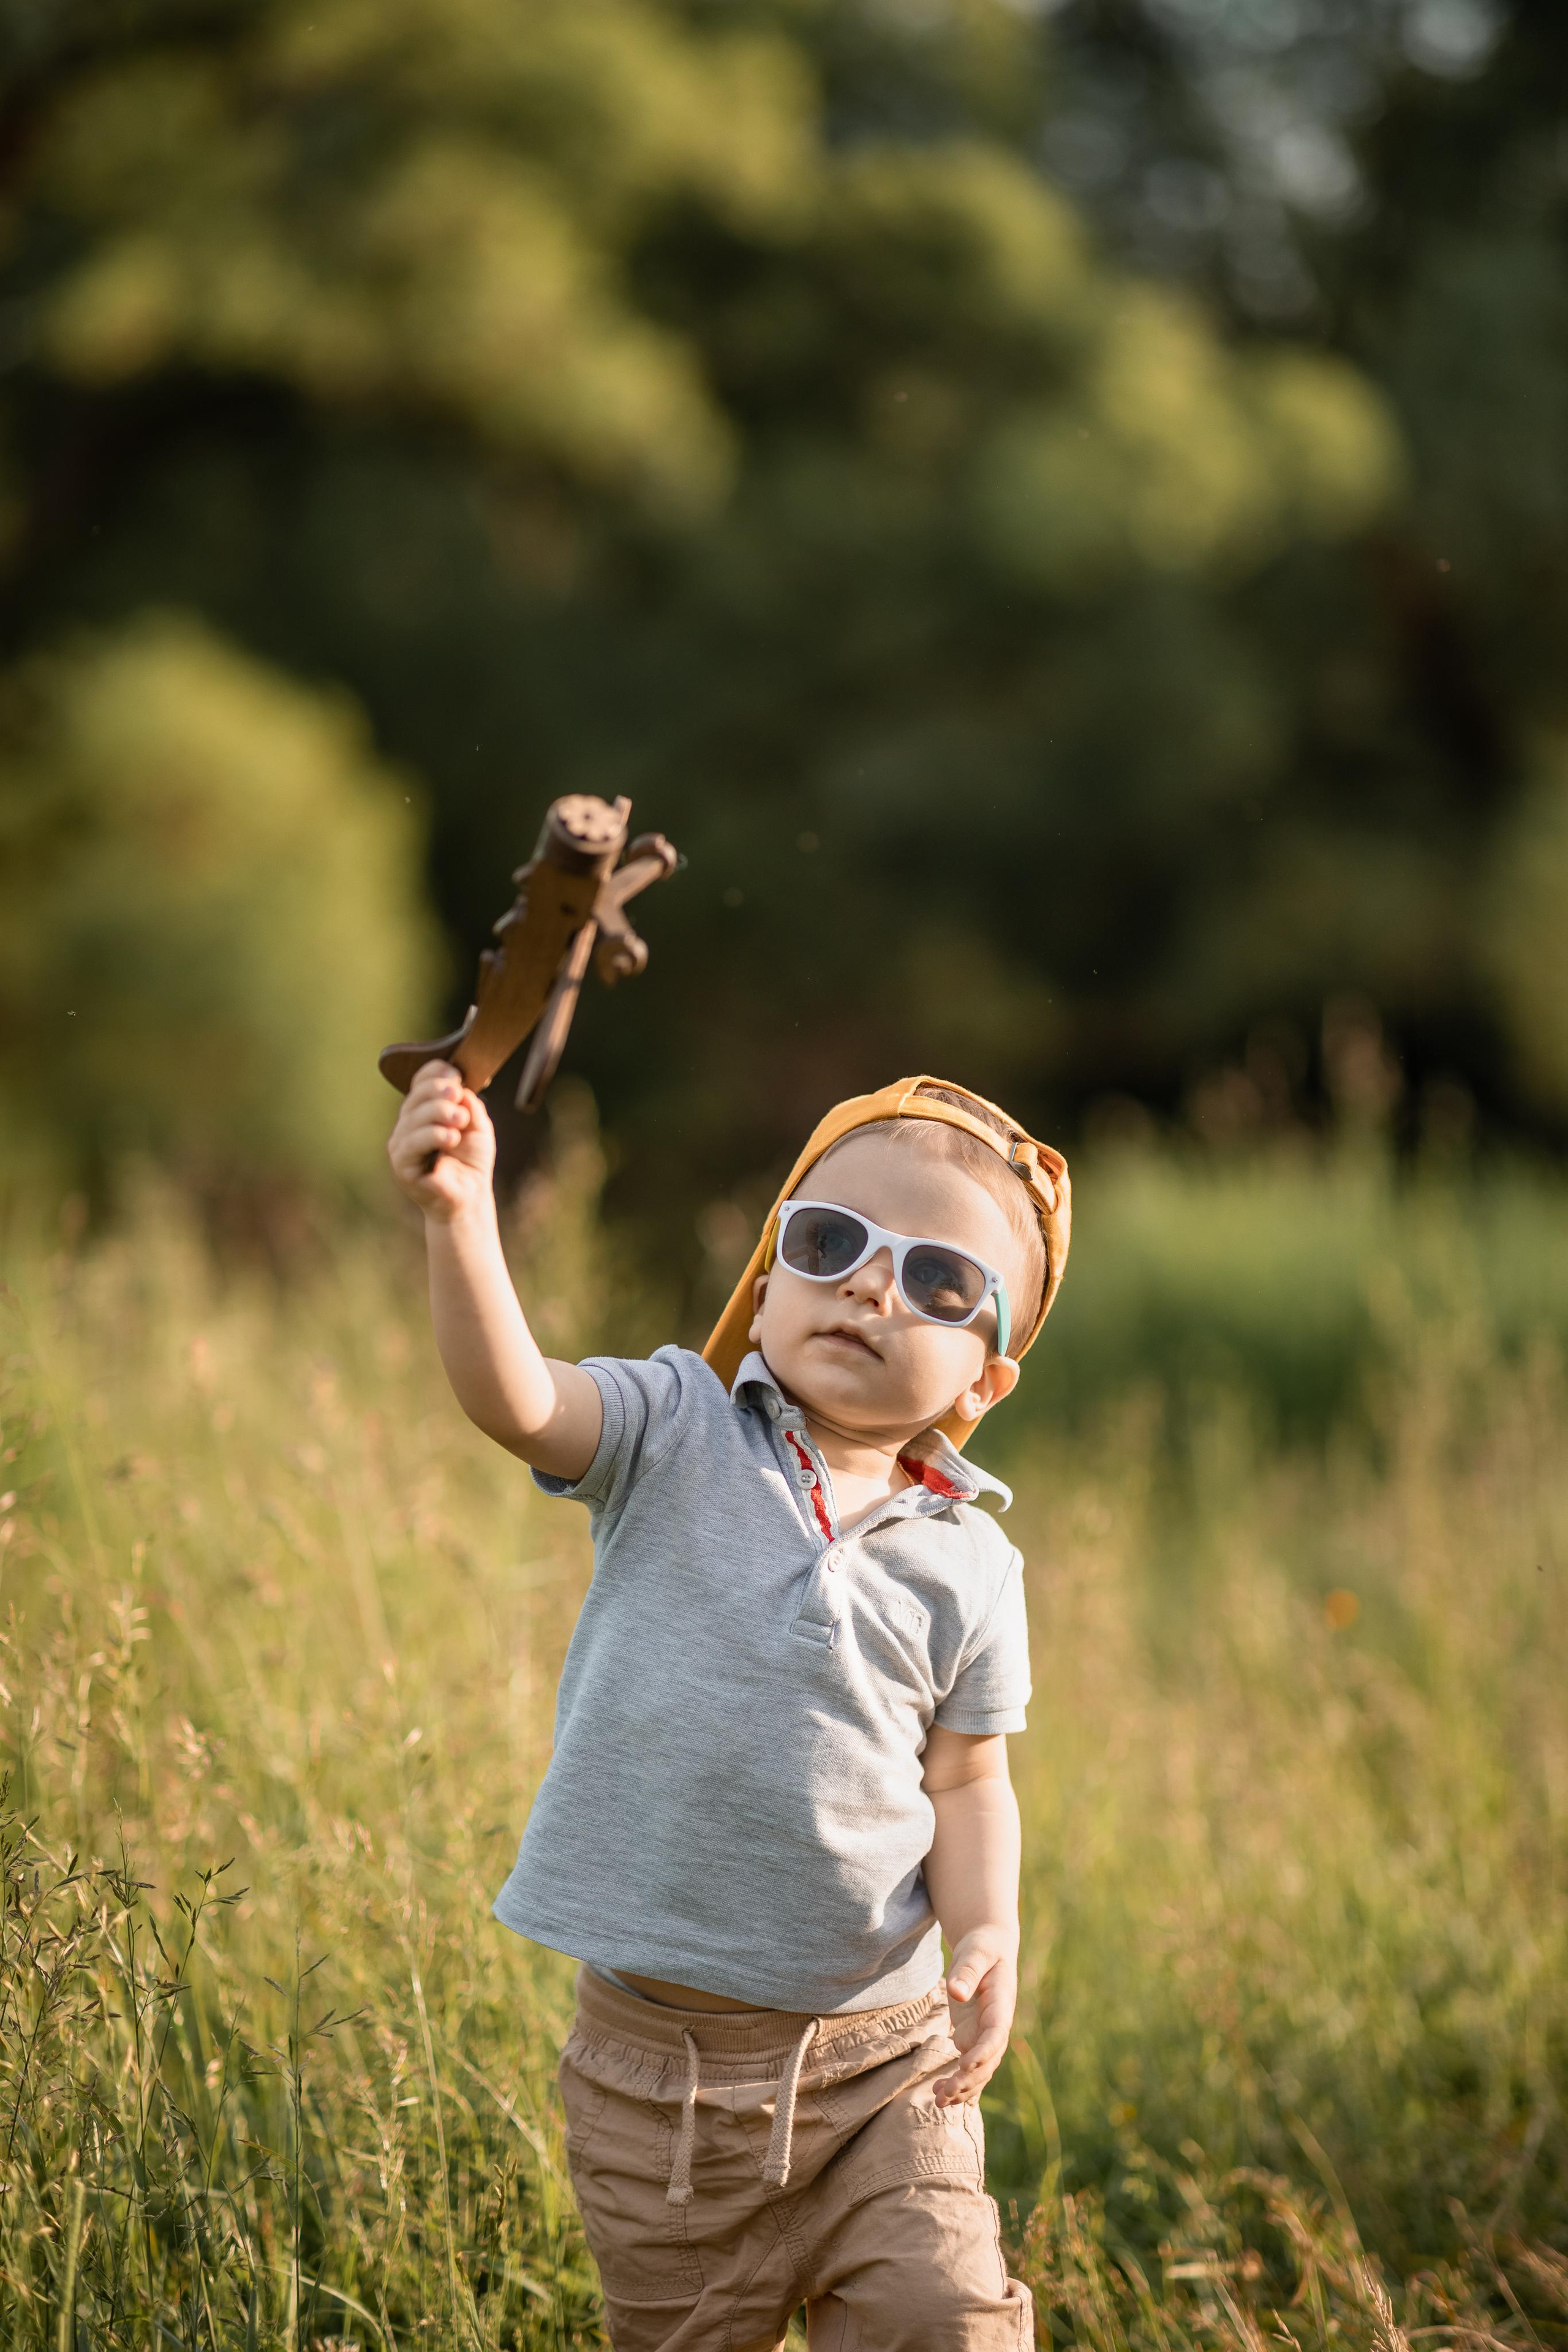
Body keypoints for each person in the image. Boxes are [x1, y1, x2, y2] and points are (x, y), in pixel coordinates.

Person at [386, 1070, 1071, 2351]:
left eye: (936, 1281)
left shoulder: (970, 1562)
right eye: (829, 1245)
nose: (871, 1286)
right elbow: (516, 1398)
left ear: (983, 1380)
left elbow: (969, 1779)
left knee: (943, 2320)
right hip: (665, 2089)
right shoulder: (671, 1428)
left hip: (885, 2063)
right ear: (763, 1291)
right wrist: (459, 1217)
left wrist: (988, 1930)